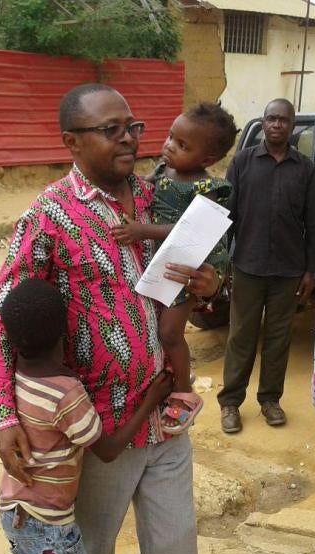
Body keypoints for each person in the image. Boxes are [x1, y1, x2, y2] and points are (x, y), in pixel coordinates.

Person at [0, 83, 220, 554]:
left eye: (132, 128)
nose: (129, 139)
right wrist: (5, 417)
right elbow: (0, 320)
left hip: (167, 417)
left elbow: (197, 286)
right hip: (101, 431)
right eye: (111, 130)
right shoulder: (49, 216)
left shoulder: (162, 201)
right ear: (72, 142)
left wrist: (212, 288)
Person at [0, 278, 173, 554]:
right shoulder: (66, 394)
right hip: (49, 525)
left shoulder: (16, 377)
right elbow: (108, 450)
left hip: (15, 513)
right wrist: (150, 401)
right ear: (66, 331)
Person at [111, 102, 238, 434]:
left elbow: (191, 231)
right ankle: (168, 381)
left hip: (186, 269)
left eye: (182, 145)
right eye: (170, 137)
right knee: (155, 329)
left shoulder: (210, 189)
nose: (169, 146)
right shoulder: (162, 172)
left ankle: (184, 392)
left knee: (170, 332)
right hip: (162, 265)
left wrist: (142, 231)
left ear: (207, 160)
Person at [217, 98, 315, 434]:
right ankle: (231, 402)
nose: (277, 125)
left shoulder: (304, 168)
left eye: (283, 120)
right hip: (247, 265)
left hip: (288, 269)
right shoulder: (243, 162)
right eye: (271, 119)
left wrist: (309, 269)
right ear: (263, 122)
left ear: (293, 126)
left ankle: (270, 400)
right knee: (241, 337)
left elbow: (314, 223)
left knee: (279, 338)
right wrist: (222, 264)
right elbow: (227, 216)